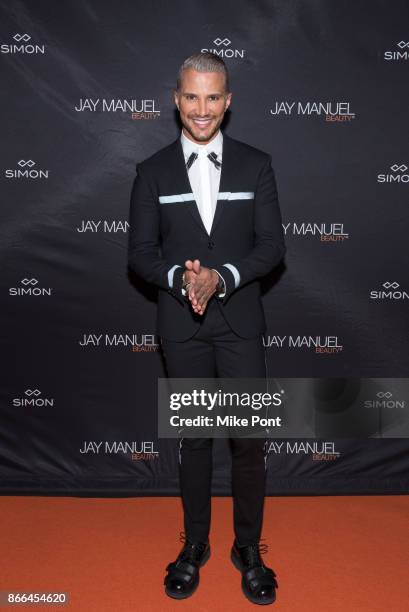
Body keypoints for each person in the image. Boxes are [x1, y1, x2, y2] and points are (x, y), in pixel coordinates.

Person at [128, 51, 286, 605]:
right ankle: (195, 545)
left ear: (228, 100)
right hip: (183, 328)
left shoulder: (255, 164)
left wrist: (223, 278)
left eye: (213, 97)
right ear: (176, 101)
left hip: (240, 325)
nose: (202, 109)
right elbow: (142, 255)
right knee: (193, 441)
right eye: (191, 97)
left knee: (248, 442)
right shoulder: (152, 171)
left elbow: (272, 248)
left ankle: (249, 548)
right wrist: (182, 278)